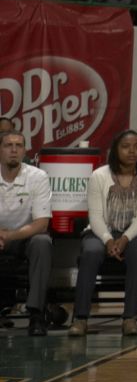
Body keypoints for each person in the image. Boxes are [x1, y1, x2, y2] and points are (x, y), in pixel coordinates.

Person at [71, 129, 137, 337]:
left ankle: (130, 318)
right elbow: (95, 216)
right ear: (115, 150)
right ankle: (80, 318)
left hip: (136, 233)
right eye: (126, 147)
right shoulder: (98, 176)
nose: (132, 151)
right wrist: (109, 240)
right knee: (91, 252)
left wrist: (125, 238)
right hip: (100, 232)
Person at [0, 129, 54, 335]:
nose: (13, 150)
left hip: (24, 239)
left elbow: (41, 223)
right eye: (8, 145)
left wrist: (9, 235)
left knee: (42, 242)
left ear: (24, 151)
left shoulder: (38, 176)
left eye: (19, 146)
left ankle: (36, 314)